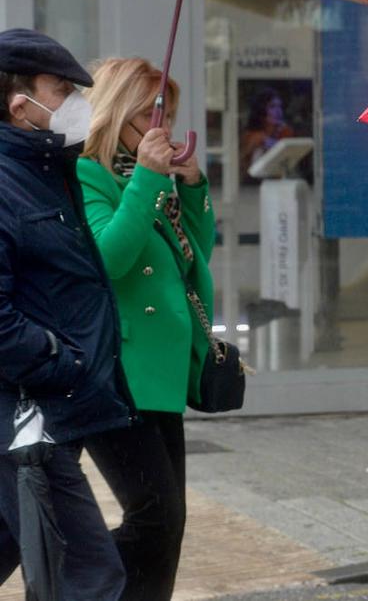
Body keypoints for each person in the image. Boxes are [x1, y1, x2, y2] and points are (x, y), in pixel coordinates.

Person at [75, 57, 215, 600]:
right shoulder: (89, 173)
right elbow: (107, 258)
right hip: (116, 372)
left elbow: (194, 256)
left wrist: (193, 185)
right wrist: (150, 180)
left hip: (160, 373)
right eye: (151, 117)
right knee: (154, 518)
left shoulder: (142, 176)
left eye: (169, 117)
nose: (162, 130)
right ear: (117, 114)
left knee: (167, 523)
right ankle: (70, 584)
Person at [0, 28, 130, 600]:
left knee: (25, 550)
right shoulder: (8, 182)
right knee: (86, 575)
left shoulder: (49, 171)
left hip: (55, 402)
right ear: (18, 102)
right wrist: (59, 359)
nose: (79, 102)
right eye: (62, 89)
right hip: (27, 413)